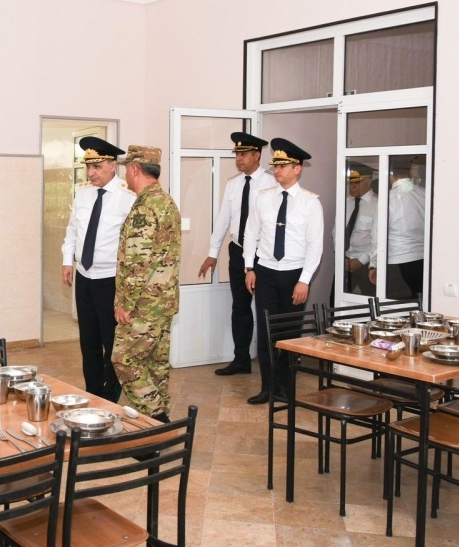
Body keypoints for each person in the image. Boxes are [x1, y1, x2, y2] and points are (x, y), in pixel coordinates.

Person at [243, 138, 323, 405]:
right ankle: (267, 387)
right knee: (266, 332)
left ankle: (285, 388)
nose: (277, 170)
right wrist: (249, 267)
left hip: (293, 274)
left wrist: (304, 281)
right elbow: (251, 234)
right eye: (275, 166)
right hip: (265, 271)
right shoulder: (263, 198)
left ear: (297, 169)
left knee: (289, 334)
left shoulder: (310, 203)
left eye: (283, 166)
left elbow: (315, 246)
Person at [62, 137, 137, 402]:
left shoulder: (128, 198)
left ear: (112, 166)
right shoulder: (83, 194)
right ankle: (93, 389)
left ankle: (110, 394)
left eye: (97, 167)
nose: (91, 173)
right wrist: (67, 261)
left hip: (110, 279)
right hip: (84, 276)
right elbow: (72, 230)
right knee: (88, 338)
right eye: (88, 167)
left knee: (112, 339)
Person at [112, 145, 182, 423]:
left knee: (124, 359)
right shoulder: (167, 202)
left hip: (143, 304)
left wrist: (125, 304)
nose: (125, 176)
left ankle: (157, 417)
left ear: (134, 169)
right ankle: (156, 428)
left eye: (126, 170)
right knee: (155, 364)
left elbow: (136, 263)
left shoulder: (144, 208)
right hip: (163, 302)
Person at [198, 132, 275, 376]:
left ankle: (271, 365)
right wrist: (213, 252)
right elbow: (224, 219)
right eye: (237, 155)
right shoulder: (234, 183)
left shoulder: (271, 183)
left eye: (244, 154)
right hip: (238, 251)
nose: (239, 159)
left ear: (257, 155)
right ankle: (241, 359)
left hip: (263, 254)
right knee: (240, 308)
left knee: (265, 310)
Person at [369, 162, 425, 298]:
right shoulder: (424, 193)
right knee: (420, 302)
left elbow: (378, 235)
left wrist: (374, 264)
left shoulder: (388, 198)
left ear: (390, 174)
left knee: (397, 306)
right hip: (423, 259)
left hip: (397, 260)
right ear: (411, 171)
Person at [341, 165, 377, 296]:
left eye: (357, 182)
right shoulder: (345, 202)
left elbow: (379, 239)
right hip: (344, 263)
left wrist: (361, 260)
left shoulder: (378, 204)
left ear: (368, 181)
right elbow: (336, 232)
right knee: (335, 301)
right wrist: (341, 256)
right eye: (350, 182)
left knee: (369, 301)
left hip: (366, 264)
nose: (352, 186)